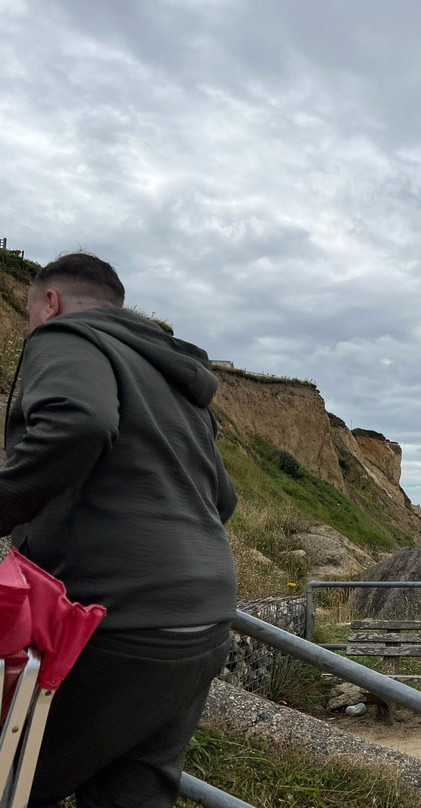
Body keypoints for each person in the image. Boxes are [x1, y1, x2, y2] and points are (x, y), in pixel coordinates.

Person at [0, 253, 237, 806]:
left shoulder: (64, 335)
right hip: (201, 620)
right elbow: (222, 497)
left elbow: (80, 420)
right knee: (129, 793)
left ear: (50, 302)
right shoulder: (175, 379)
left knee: (11, 777)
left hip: (114, 620)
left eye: (34, 315)